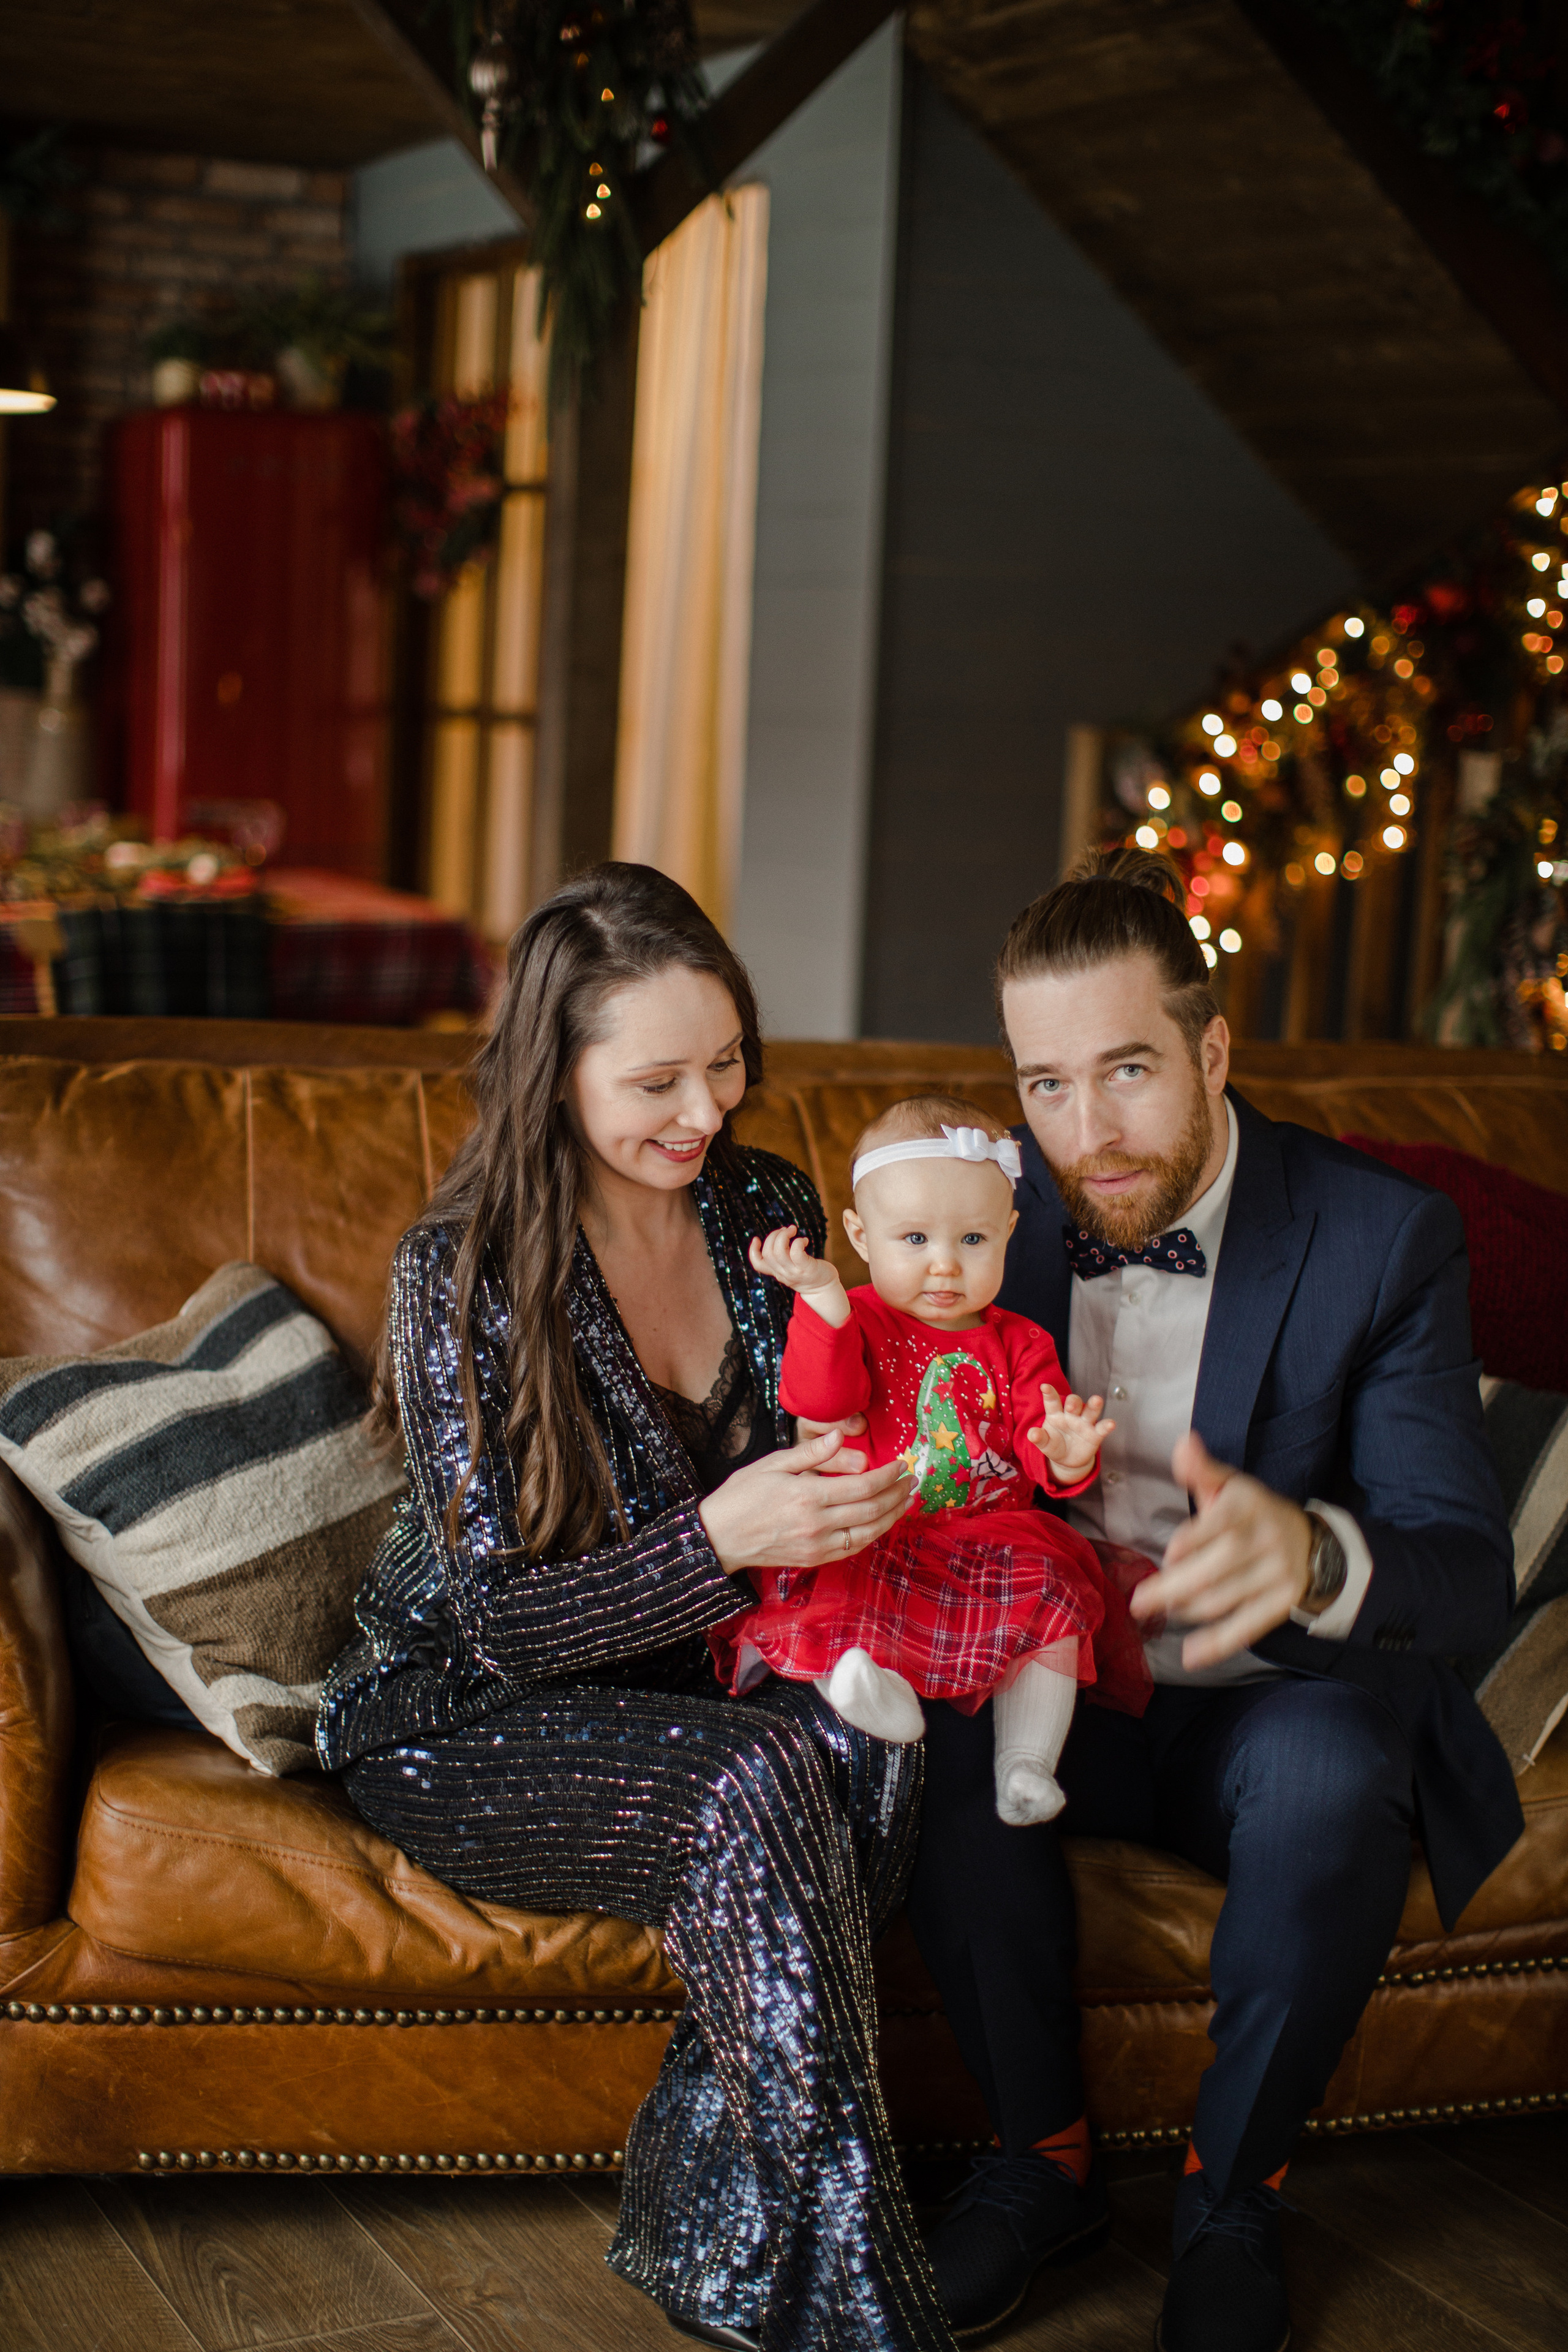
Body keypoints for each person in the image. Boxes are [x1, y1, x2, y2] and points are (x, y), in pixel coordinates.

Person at [317, 862, 958, 2352]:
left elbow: (832, 1413)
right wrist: (721, 1538)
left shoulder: (764, 1205)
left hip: (695, 1675)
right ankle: (860, 2310)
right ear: (556, 1069)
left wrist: (849, 1485)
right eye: (657, 1077)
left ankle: (703, 2213)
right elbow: (494, 1623)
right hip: (460, 1713)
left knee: (881, 1732)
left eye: (724, 1061)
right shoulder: (461, 1267)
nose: (704, 1109)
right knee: (761, 1774)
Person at [898, 847, 1521, 2352]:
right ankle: (1036, 2164)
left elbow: (1461, 1567)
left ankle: (1230, 2195)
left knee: (1334, 1766)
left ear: (1211, 1049)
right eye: (1043, 1083)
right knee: (926, 1722)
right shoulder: (980, 1223)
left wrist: (1309, 1553)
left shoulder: (1376, 1234)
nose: (1083, 1132)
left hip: (1271, 1698)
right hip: (1055, 1681)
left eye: (1123, 1069)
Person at [711, 1093, 1149, 1825]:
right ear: (861, 1233)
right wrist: (820, 1300)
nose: (944, 1266)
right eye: (913, 1239)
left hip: (986, 1539)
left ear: (1008, 1232)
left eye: (973, 1241)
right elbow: (820, 1397)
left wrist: (1066, 1457)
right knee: (840, 1590)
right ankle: (871, 1695)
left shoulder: (1020, 1343)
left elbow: (1041, 1454)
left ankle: (1026, 1764)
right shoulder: (856, 1315)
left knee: (1054, 1595)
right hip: (877, 1531)